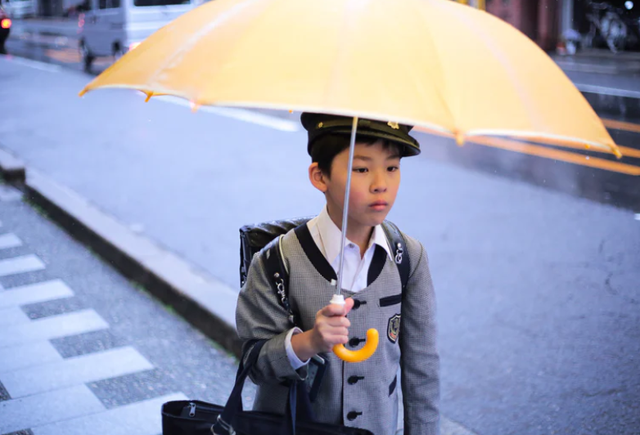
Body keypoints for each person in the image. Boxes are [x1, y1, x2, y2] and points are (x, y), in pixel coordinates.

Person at [236, 112, 440, 435]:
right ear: (320, 176)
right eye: (361, 169)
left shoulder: (407, 258)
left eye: (392, 167)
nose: (380, 184)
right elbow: (254, 364)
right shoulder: (276, 262)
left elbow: (422, 371)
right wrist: (309, 342)